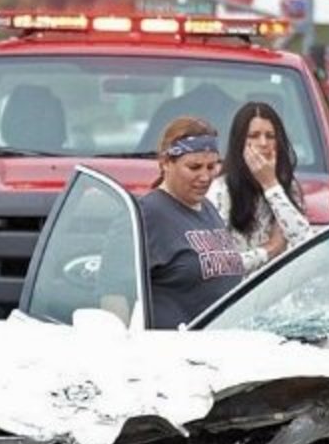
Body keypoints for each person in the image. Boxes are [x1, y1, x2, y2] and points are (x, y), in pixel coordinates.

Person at [103, 116, 245, 330]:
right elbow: (113, 292)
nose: (205, 176)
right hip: (173, 352)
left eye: (211, 166)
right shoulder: (144, 215)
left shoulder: (208, 208)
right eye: (194, 167)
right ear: (166, 163)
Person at [206, 102, 312, 274]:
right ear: (240, 141)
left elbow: (306, 244)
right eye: (254, 136)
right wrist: (269, 250)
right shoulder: (221, 190)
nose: (263, 143)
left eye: (270, 136)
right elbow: (216, 264)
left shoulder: (285, 187)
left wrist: (270, 184)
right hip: (239, 294)